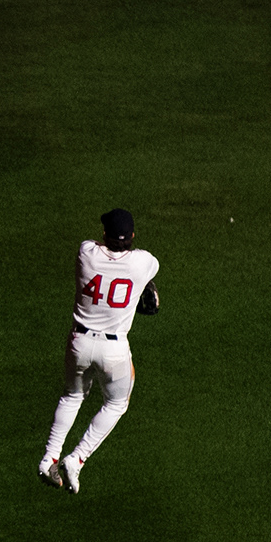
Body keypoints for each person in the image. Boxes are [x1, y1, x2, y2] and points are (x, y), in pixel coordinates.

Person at [40, 208, 160, 493]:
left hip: (78, 343)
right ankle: (77, 458)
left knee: (72, 396)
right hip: (113, 350)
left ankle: (49, 458)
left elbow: (101, 248)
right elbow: (148, 279)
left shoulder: (86, 253)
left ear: (104, 234)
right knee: (116, 404)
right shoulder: (143, 262)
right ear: (132, 236)